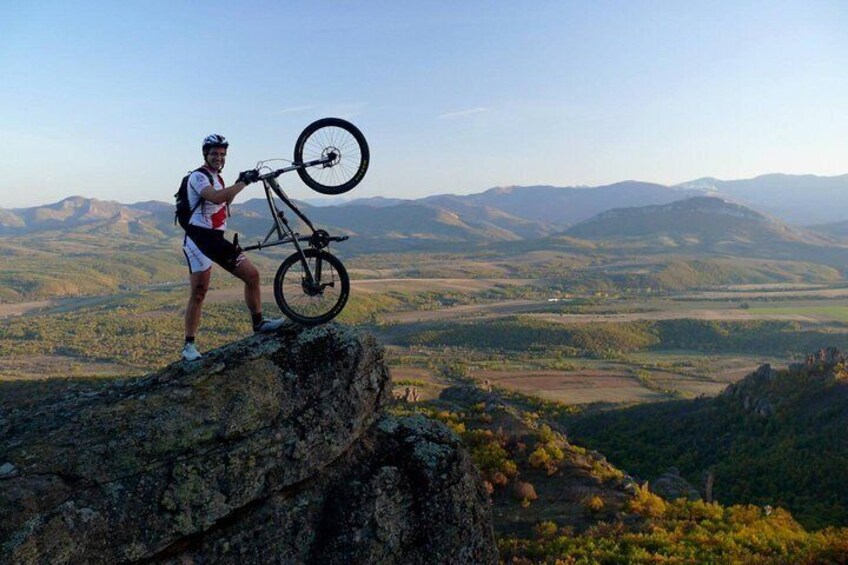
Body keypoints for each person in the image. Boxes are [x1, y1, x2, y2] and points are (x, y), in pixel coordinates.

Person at [181, 134, 286, 361]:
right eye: (214, 154)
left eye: (222, 154)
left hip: (215, 239)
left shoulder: (217, 178)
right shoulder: (199, 177)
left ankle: (258, 323)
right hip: (200, 240)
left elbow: (223, 201)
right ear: (205, 155)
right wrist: (243, 183)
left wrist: (238, 183)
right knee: (199, 293)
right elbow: (217, 198)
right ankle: (189, 346)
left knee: (252, 276)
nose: (219, 158)